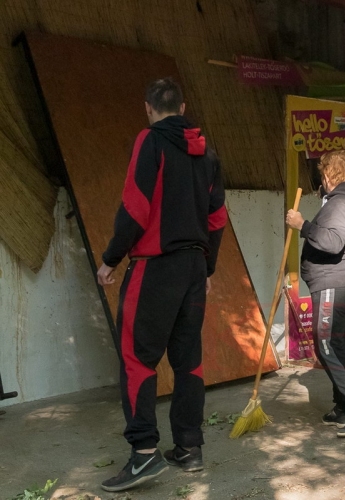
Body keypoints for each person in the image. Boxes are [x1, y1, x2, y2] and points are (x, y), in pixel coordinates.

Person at [97, 77, 227, 491]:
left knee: (137, 359)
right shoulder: (208, 152)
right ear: (183, 106)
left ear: (149, 108)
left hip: (155, 266)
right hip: (192, 267)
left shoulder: (150, 141)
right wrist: (205, 269)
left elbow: (135, 206)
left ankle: (144, 455)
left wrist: (110, 259)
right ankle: (190, 447)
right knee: (188, 360)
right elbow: (217, 219)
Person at [285, 151, 345, 438]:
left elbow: (332, 242)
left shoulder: (340, 203)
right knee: (340, 347)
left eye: (322, 174)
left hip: (334, 285)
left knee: (326, 348)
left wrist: (302, 225)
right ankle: (342, 406)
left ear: (328, 176)